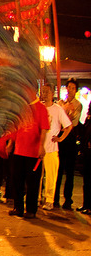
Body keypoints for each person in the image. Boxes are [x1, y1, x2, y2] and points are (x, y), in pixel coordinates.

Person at [8, 90, 50, 219]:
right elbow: (15, 127)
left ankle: (31, 209)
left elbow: (44, 129)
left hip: (33, 152)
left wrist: (41, 146)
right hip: (19, 150)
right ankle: (18, 207)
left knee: (32, 182)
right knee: (17, 180)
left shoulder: (41, 108)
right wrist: (11, 143)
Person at [55, 80, 83, 210]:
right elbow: (59, 119)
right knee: (58, 169)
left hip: (71, 137)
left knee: (70, 171)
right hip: (60, 136)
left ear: (76, 90)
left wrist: (65, 113)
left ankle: (68, 199)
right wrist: (66, 111)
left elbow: (72, 119)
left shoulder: (78, 104)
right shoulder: (60, 103)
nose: (70, 90)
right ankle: (54, 197)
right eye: (69, 87)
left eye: (73, 88)